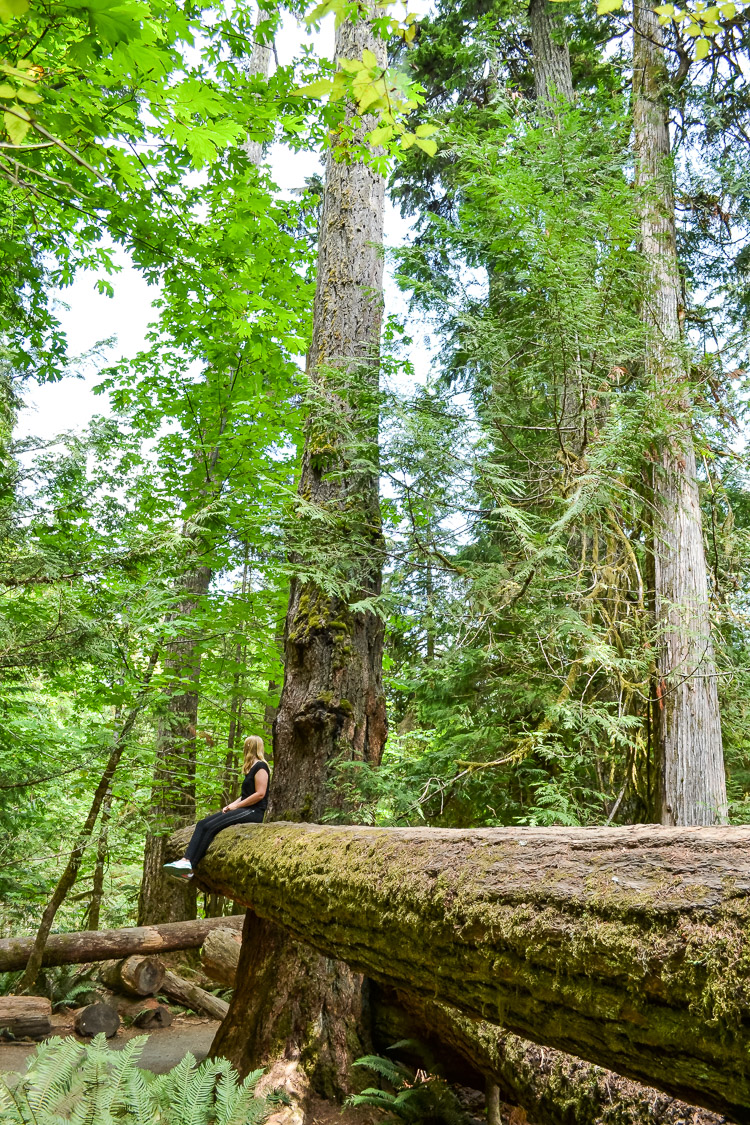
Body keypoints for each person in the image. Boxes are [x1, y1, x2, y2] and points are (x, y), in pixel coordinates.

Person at [163, 735, 270, 881]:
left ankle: (190, 866)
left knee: (212, 827)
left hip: (254, 811)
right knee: (202, 824)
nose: (245, 749)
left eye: (247, 746)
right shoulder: (251, 769)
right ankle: (185, 861)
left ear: (251, 747)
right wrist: (231, 805)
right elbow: (245, 795)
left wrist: (237, 806)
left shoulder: (261, 767)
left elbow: (260, 794)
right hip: (244, 807)